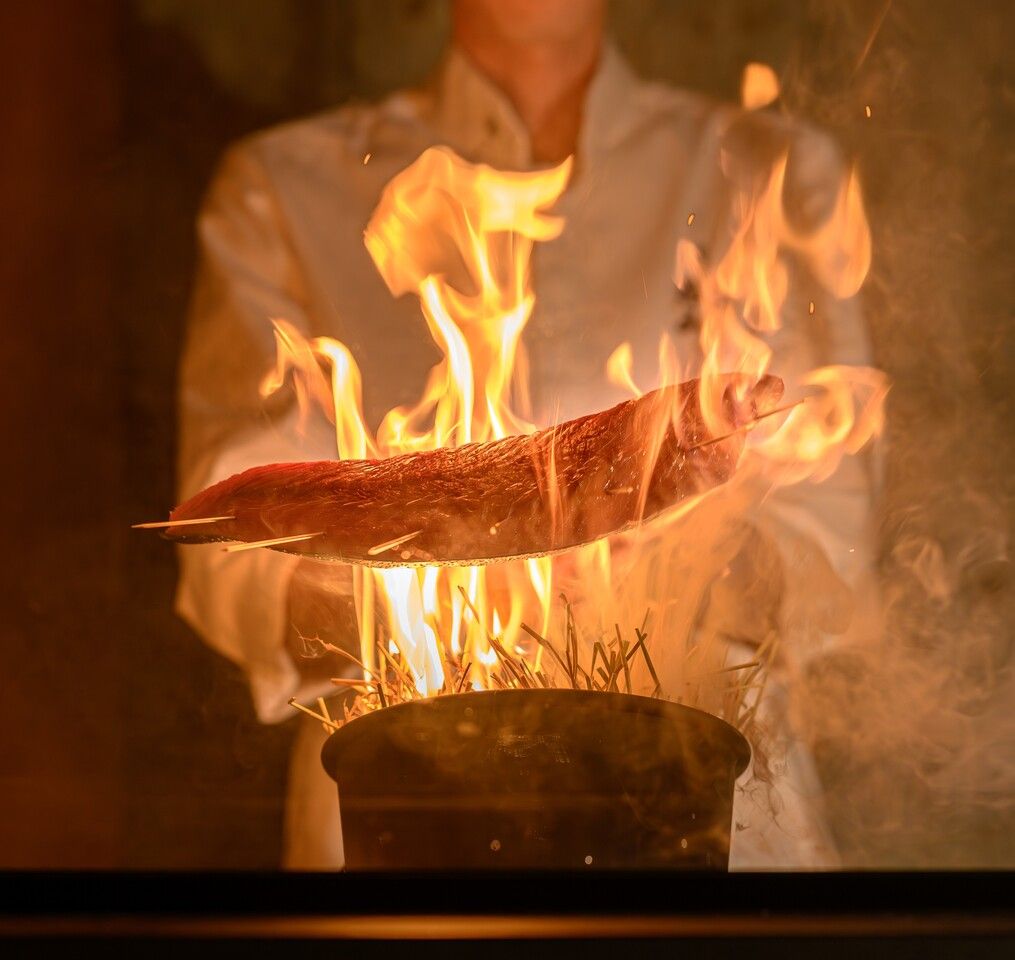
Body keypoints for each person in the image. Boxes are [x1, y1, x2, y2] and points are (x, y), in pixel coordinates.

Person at [177, 0, 876, 869]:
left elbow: (833, 550)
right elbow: (222, 559)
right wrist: (425, 585)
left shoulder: (772, 170)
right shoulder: (281, 185)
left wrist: (683, 561)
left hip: (721, 821)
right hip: (398, 810)